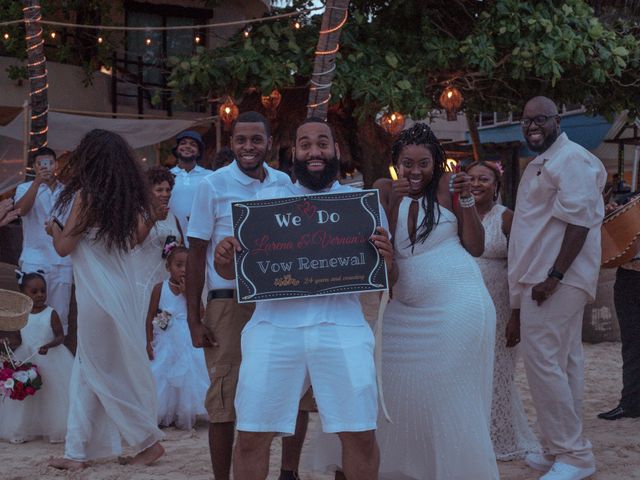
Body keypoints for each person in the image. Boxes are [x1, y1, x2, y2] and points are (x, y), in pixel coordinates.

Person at [213, 117, 394, 480]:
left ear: (336, 152)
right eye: (306, 144)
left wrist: (388, 258)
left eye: (322, 143)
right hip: (272, 329)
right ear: (293, 153)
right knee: (251, 434)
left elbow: (386, 277)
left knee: (359, 432)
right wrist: (224, 258)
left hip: (341, 327)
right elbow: (236, 273)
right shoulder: (264, 203)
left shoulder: (358, 206)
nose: (315, 151)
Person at [355, 123, 497, 480]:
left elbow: (476, 245)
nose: (415, 172)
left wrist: (466, 200)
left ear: (436, 163)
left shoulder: (449, 190)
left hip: (458, 305)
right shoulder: (383, 190)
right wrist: (398, 199)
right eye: (407, 164)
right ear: (395, 164)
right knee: (393, 386)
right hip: (403, 310)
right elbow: (380, 244)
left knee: (446, 394)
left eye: (423, 164)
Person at [46, 129, 165, 470]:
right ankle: (76, 452)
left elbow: (63, 246)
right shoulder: (126, 198)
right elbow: (127, 245)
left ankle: (148, 440)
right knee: (89, 371)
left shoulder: (87, 196)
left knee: (99, 373)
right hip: (119, 293)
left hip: (98, 296)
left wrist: (53, 227)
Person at [186, 111, 292, 480]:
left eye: (256, 140)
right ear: (230, 144)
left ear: (269, 143)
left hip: (275, 302)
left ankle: (288, 472)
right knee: (224, 400)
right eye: (241, 140)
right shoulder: (211, 186)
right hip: (227, 303)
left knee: (278, 388)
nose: (249, 147)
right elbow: (196, 253)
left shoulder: (283, 183)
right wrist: (194, 319)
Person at [508, 96, 606, 480]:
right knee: (562, 364)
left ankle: (574, 455)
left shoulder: (573, 159)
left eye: (541, 119)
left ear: (557, 121)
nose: (532, 126)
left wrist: (554, 276)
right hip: (542, 279)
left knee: (545, 363)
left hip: (554, 280)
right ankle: (558, 448)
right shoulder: (542, 162)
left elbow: (580, 222)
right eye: (526, 120)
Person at [466, 160, 541, 461]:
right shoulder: (458, 216)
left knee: (498, 374)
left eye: (483, 179)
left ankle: (500, 439)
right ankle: (471, 439)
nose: (476, 184)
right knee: (468, 373)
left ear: (495, 184)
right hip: (465, 308)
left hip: (500, 308)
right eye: (470, 178)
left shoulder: (507, 218)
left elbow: (521, 268)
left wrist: (517, 315)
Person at [0, 271, 73, 444]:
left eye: (43, 291)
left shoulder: (51, 313)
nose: (40, 295)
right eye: (34, 292)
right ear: (23, 293)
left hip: (51, 359)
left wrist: (49, 345)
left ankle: (55, 429)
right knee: (28, 397)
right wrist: (7, 342)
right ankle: (25, 429)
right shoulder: (22, 315)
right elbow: (19, 339)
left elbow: (60, 336)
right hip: (28, 358)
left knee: (52, 394)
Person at [145, 244, 208, 430]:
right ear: (168, 267)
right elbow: (151, 316)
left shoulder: (192, 287)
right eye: (178, 265)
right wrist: (148, 341)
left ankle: (184, 411)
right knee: (163, 373)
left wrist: (187, 294)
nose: (183, 270)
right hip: (165, 338)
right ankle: (163, 412)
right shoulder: (159, 288)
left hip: (186, 338)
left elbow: (201, 313)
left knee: (188, 373)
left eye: (187, 266)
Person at [14, 147, 73, 335]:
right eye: (40, 164)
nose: (45, 167)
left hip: (62, 260)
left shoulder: (68, 192)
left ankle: (57, 356)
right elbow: (20, 211)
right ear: (34, 167)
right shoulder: (24, 188)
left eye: (48, 163)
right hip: (34, 259)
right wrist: (38, 182)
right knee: (31, 311)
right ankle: (30, 360)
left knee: (60, 313)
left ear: (56, 164)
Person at [598, 198, 640, 421]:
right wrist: (610, 214)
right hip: (630, 276)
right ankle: (631, 403)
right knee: (632, 342)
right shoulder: (633, 203)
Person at [130, 166, 184, 328]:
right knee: (141, 330)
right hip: (142, 285)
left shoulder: (173, 217)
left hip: (165, 287)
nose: (165, 194)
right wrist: (153, 218)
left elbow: (182, 250)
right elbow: (134, 240)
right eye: (159, 190)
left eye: (168, 190)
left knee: (163, 331)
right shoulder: (137, 214)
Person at [169, 130, 210, 240]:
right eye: (183, 143)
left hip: (202, 238)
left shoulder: (210, 177)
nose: (187, 146)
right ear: (177, 149)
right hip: (171, 237)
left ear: (198, 152)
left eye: (193, 145)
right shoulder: (166, 176)